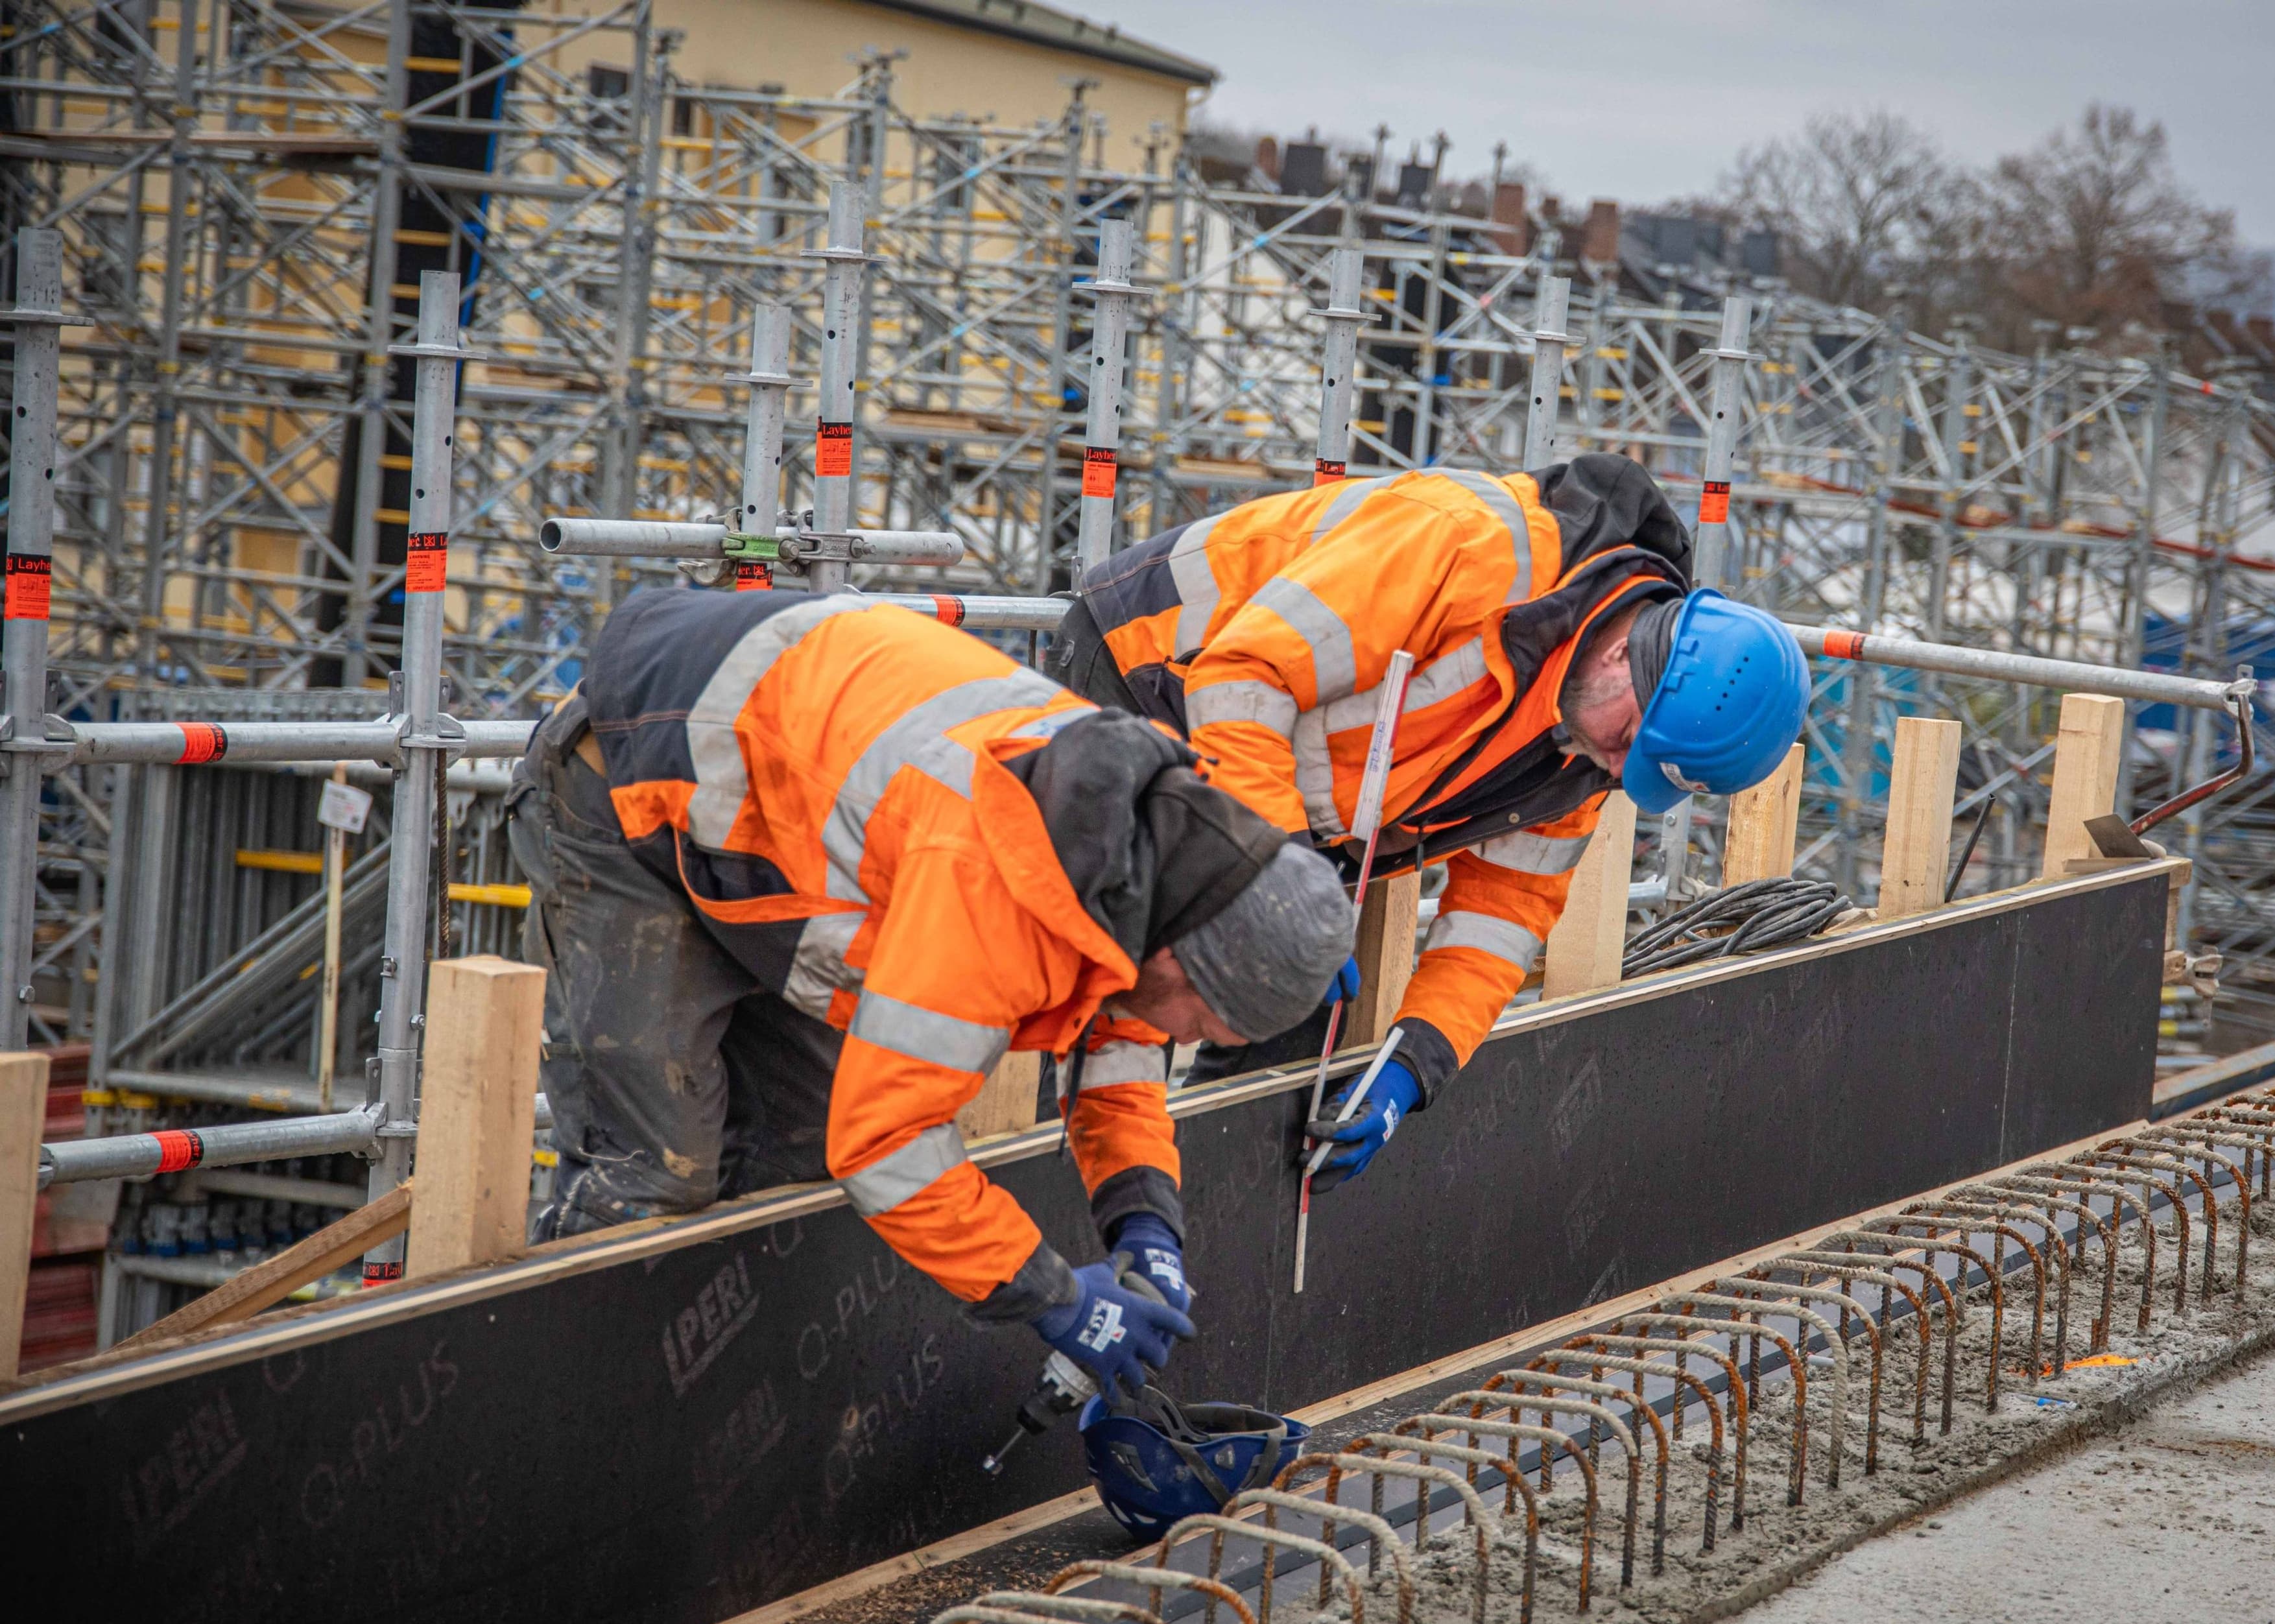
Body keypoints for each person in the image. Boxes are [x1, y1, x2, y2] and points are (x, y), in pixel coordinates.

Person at [510, 589, 1356, 1391]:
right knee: (652, 1180)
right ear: (1181, 960)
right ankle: (557, 1424)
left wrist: (1146, 1220)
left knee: (797, 1162)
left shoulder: (1141, 862)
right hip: (630, 782)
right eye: (1205, 1023)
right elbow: (887, 1147)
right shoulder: (991, 884)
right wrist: (1059, 1298)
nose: (1190, 1038)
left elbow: (1118, 1044)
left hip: (782, 812)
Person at [1049, 453, 1809, 1189]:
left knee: (1289, 1012)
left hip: (1300, 799)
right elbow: (1245, 674)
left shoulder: (1580, 748)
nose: (1614, 772)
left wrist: (1410, 1070)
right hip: (1149, 676)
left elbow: (1503, 916)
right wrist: (1272, 874)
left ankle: (1196, 1227)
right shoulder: (1465, 545)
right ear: (1622, 658)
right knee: (1142, 972)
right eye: (1626, 746)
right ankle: (1091, 1203)